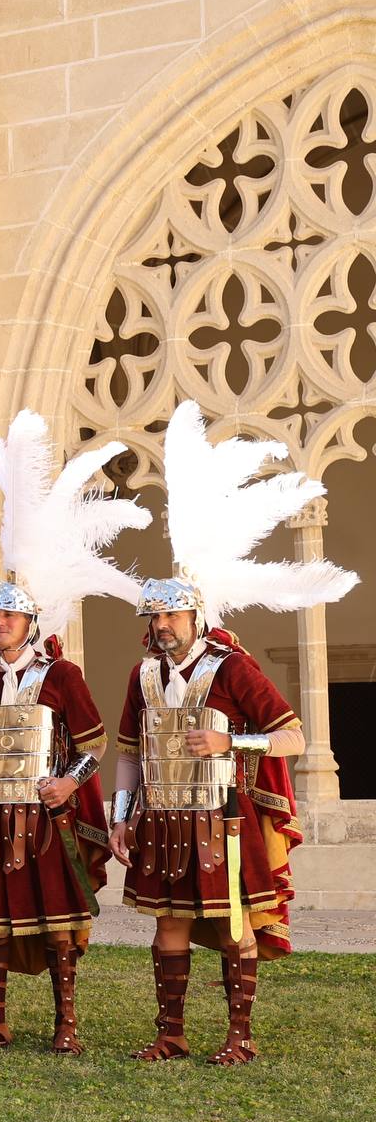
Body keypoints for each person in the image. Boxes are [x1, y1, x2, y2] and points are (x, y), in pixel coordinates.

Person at [107, 405, 353, 1064]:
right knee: (169, 929)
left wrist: (230, 745)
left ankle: (238, 1036)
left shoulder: (233, 667)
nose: (162, 625)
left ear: (195, 613)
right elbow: (129, 753)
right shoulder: (141, 674)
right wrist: (120, 815)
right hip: (162, 817)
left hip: (224, 819)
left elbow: (295, 738)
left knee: (236, 925)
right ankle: (171, 1034)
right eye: (154, 616)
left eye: (172, 614)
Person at [0, 414, 138, 1053]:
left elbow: (94, 744)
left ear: (29, 621)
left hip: (43, 818)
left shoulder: (63, 675)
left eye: (8, 615)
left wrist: (67, 783)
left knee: (58, 925)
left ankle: (66, 1023)